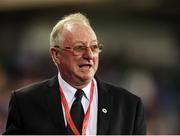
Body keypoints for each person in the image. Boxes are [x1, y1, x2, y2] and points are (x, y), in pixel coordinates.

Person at [3, 13, 146, 135]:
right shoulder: (25, 102)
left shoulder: (129, 106)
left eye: (94, 47)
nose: (89, 55)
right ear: (56, 55)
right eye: (79, 48)